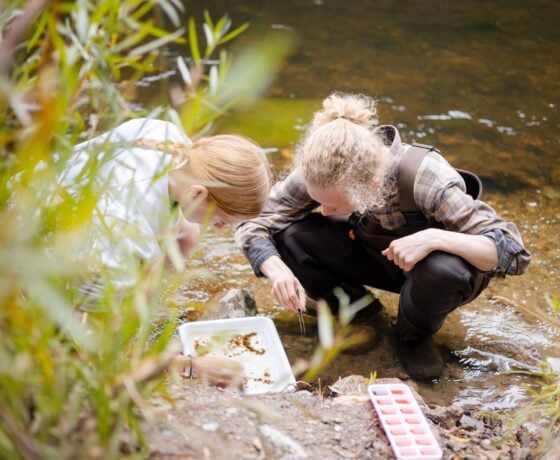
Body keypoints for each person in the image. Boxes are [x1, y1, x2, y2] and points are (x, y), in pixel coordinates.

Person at [235, 92, 531, 380]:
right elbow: (258, 218)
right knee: (290, 233)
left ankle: (412, 334)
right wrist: (277, 270)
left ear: (371, 184)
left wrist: (434, 239)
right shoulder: (321, 169)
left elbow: (512, 253)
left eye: (334, 204)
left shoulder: (427, 179)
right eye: (319, 200)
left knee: (443, 269)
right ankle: (358, 311)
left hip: (431, 275)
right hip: (377, 253)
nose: (325, 211)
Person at [62, 117, 271, 387]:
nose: (219, 231)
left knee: (188, 234)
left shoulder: (168, 137)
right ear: (198, 195)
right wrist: (190, 367)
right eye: (220, 221)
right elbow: (93, 342)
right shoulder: (123, 230)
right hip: (25, 262)